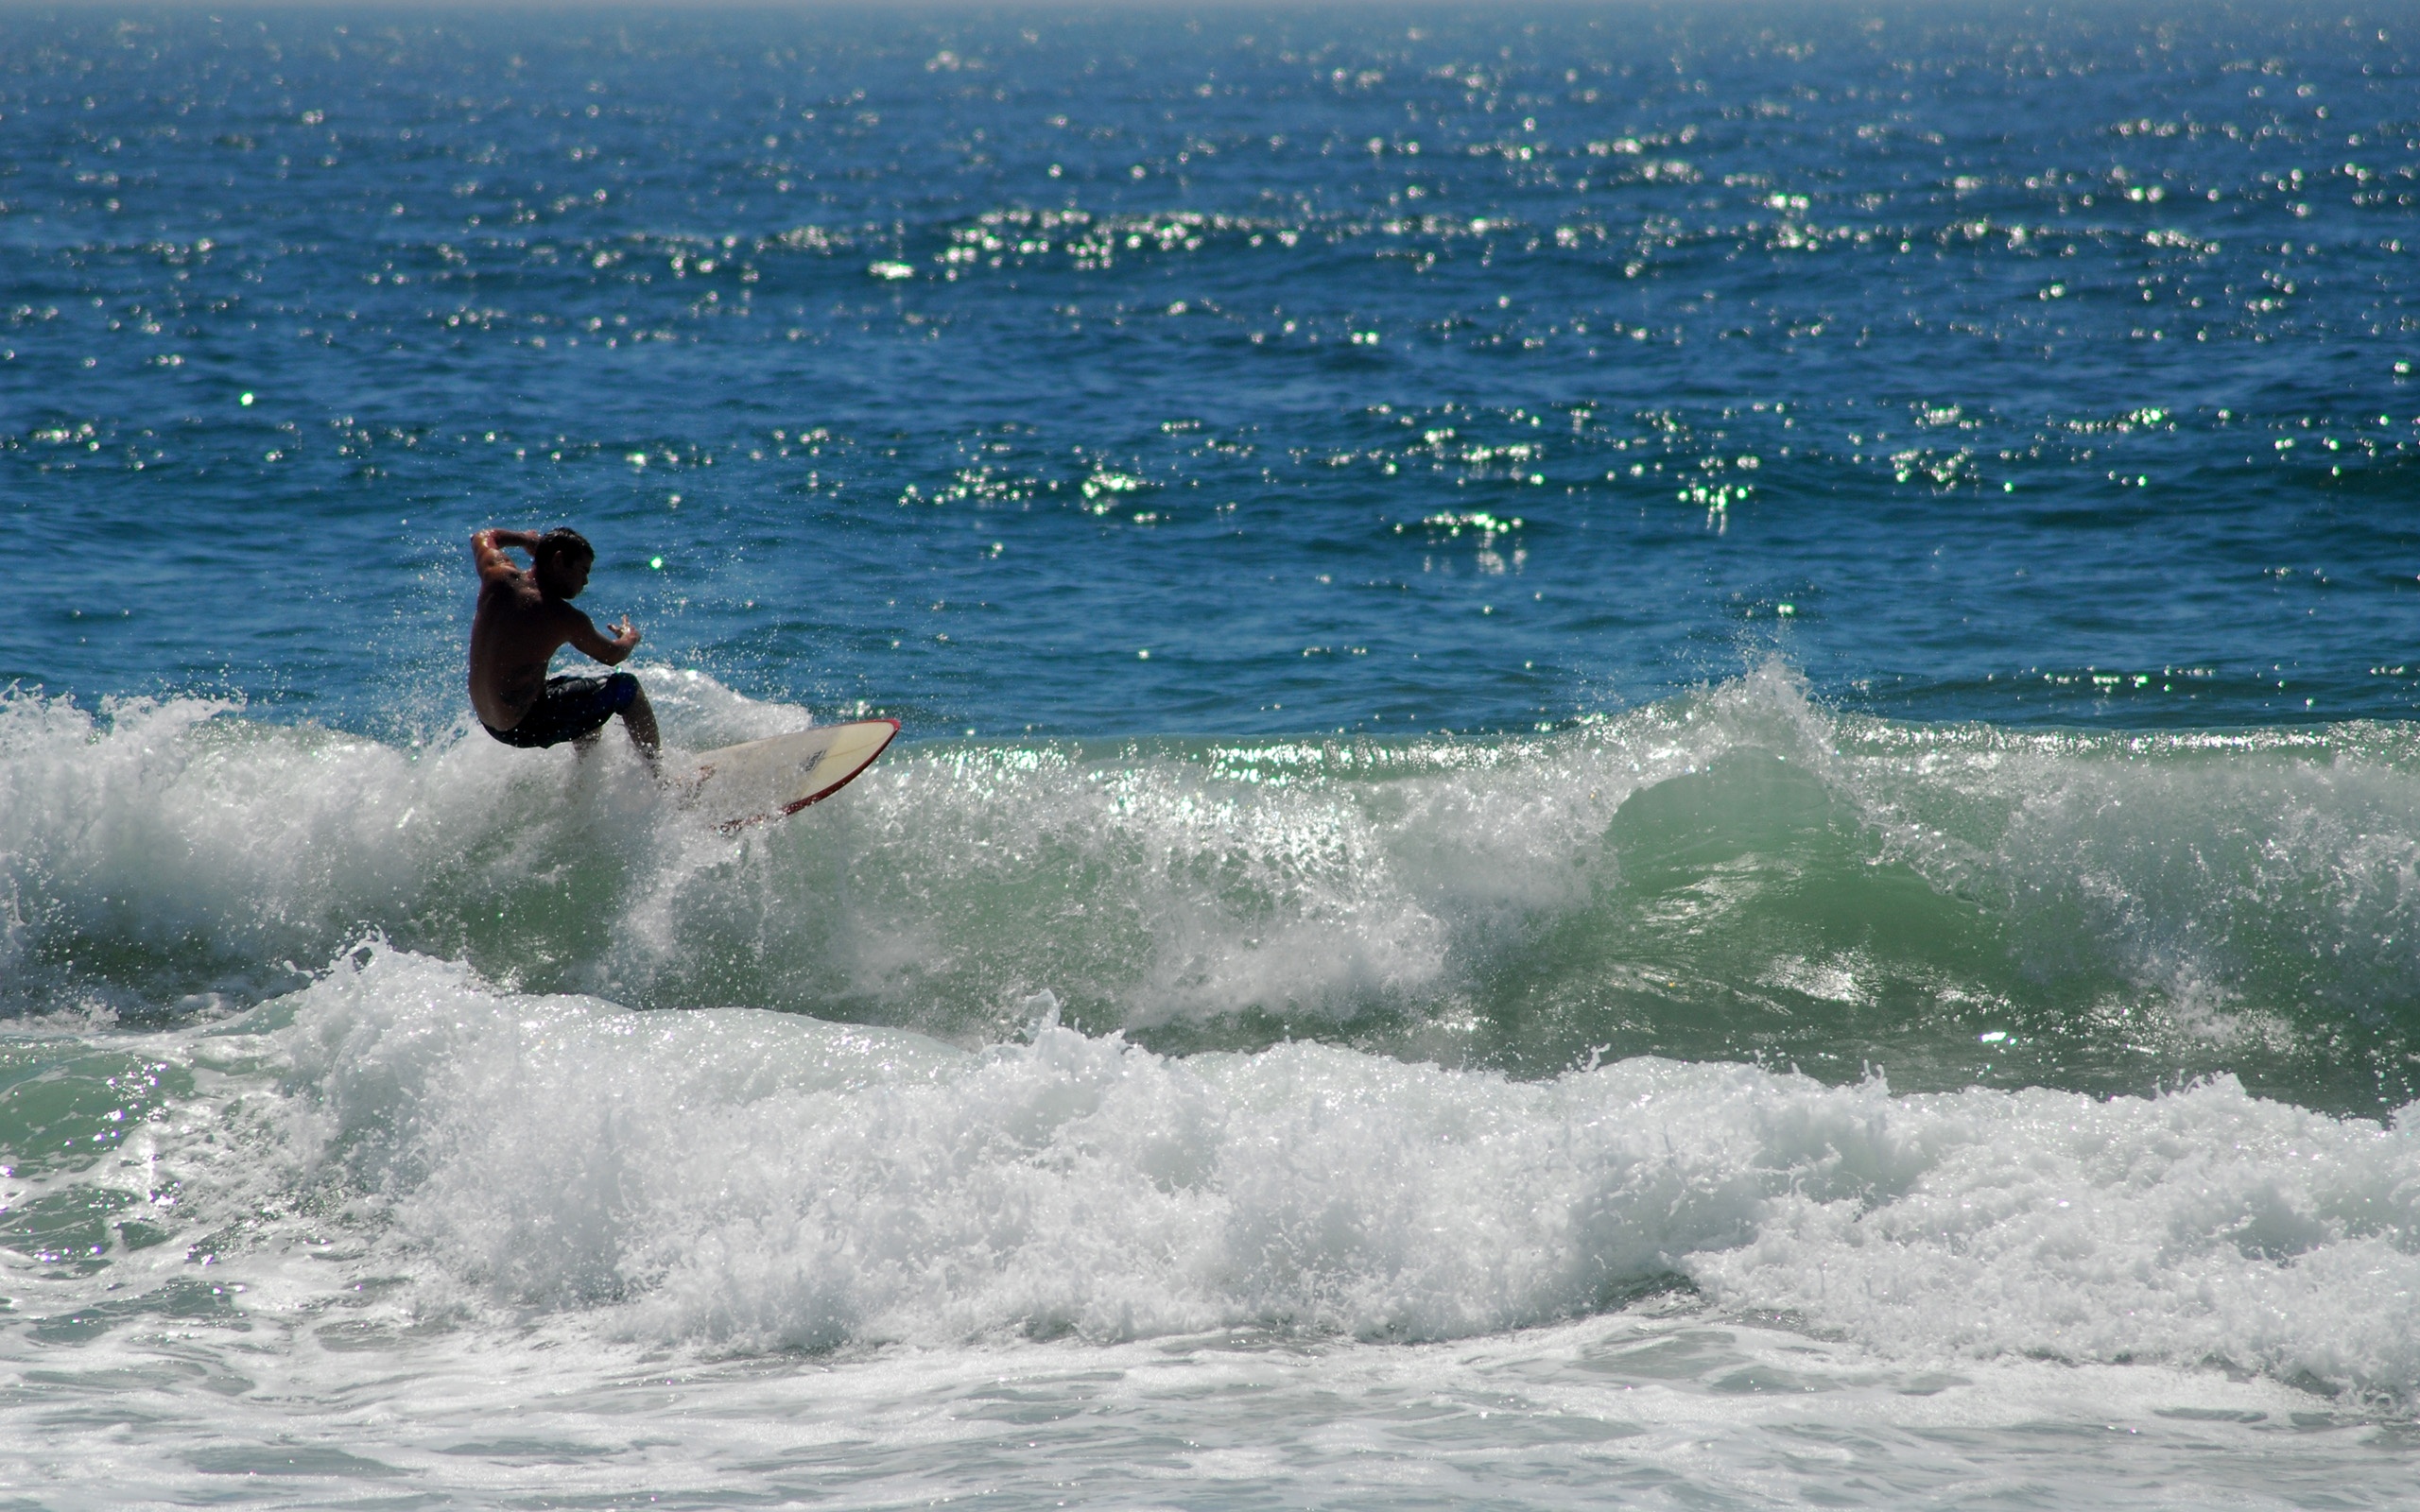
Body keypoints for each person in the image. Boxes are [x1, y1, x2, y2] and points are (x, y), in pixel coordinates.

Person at [467, 526, 661, 770]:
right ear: (558, 560)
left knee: (583, 691)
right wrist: (629, 637)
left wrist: (527, 540)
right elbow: (612, 655)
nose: (586, 581)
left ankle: (584, 779)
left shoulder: (496, 575)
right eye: (582, 571)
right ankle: (661, 779)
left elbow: (482, 537)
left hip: (489, 720)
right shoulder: (563, 616)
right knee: (626, 688)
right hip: (525, 725)